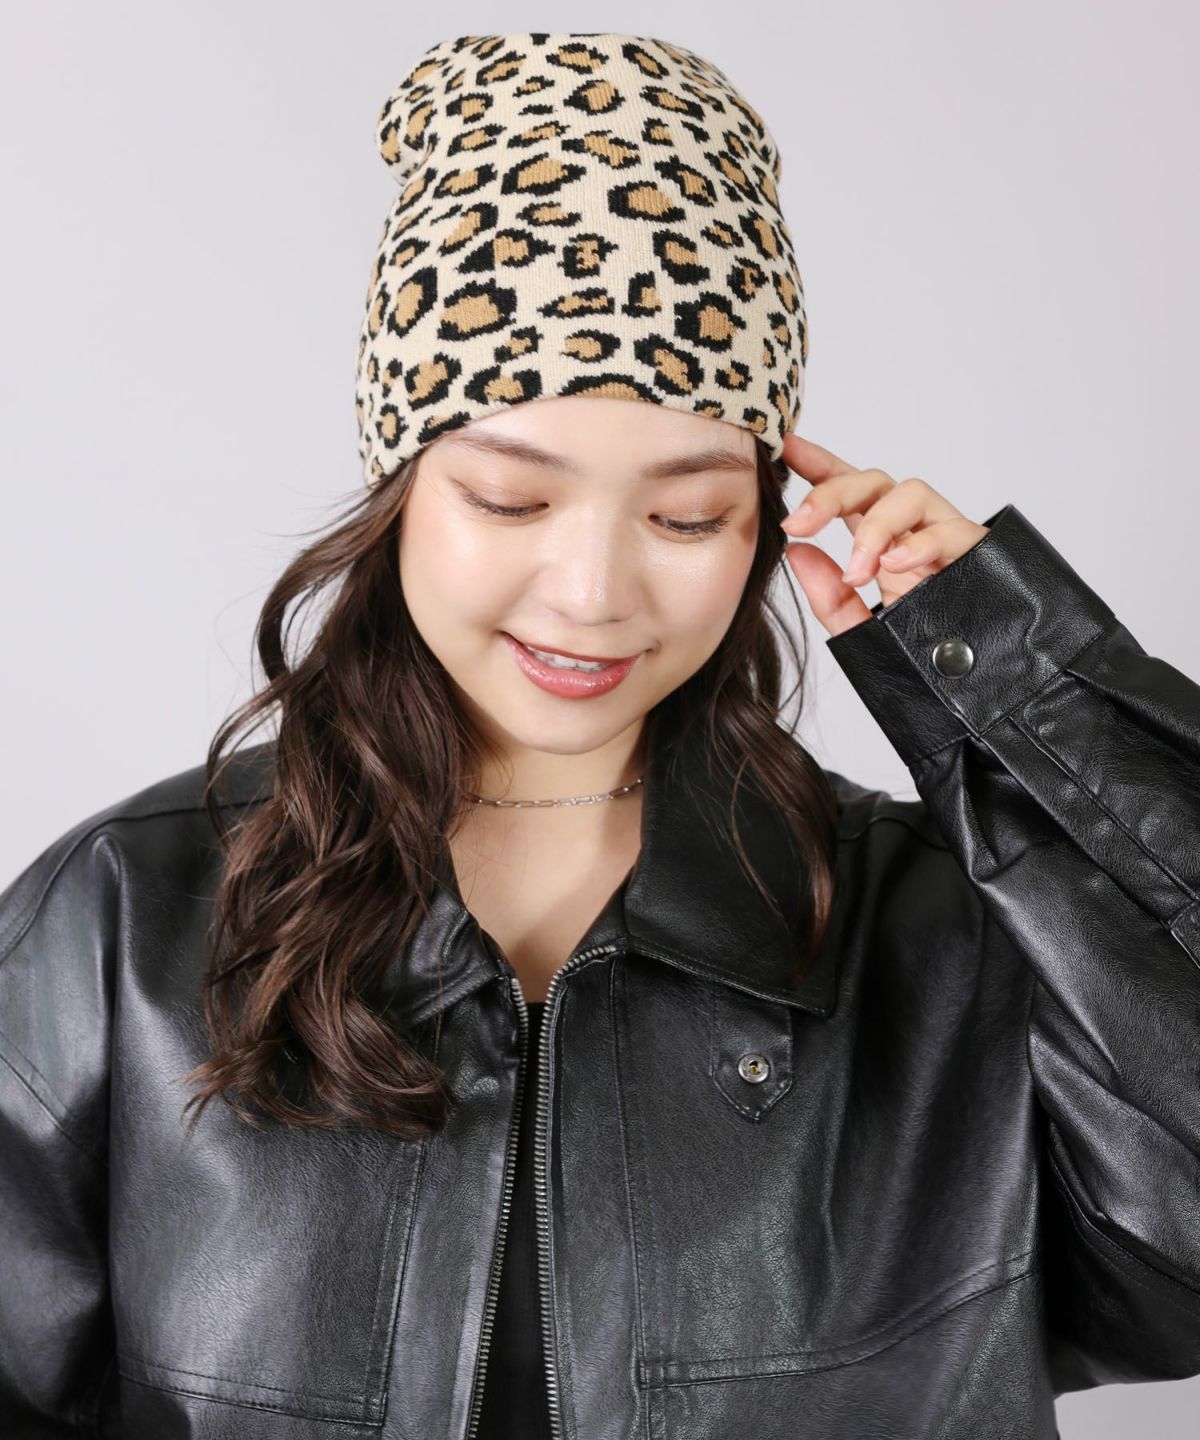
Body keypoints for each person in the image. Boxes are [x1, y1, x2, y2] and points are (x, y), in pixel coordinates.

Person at [2, 29, 1199, 1440]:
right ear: (401, 489)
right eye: (510, 500)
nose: (592, 592)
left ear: (765, 520)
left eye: (688, 516)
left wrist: (1022, 681)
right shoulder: (123, 920)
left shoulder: (934, 932)